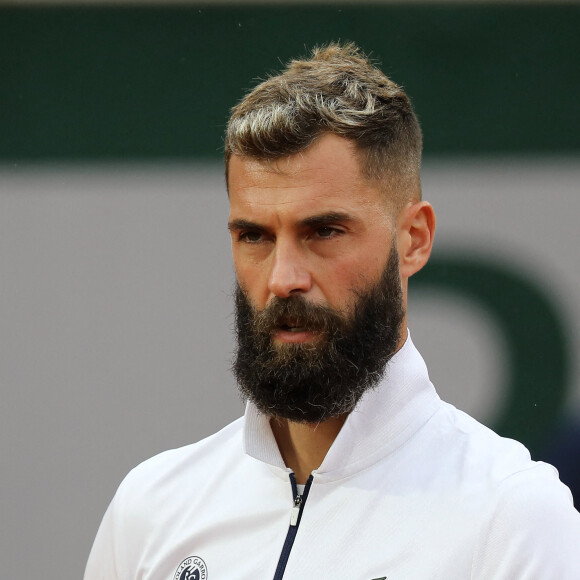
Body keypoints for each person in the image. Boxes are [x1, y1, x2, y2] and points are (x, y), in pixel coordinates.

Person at [85, 43, 580, 579]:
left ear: (413, 240)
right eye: (254, 235)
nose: (283, 279)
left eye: (324, 231)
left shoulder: (511, 515)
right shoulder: (151, 508)